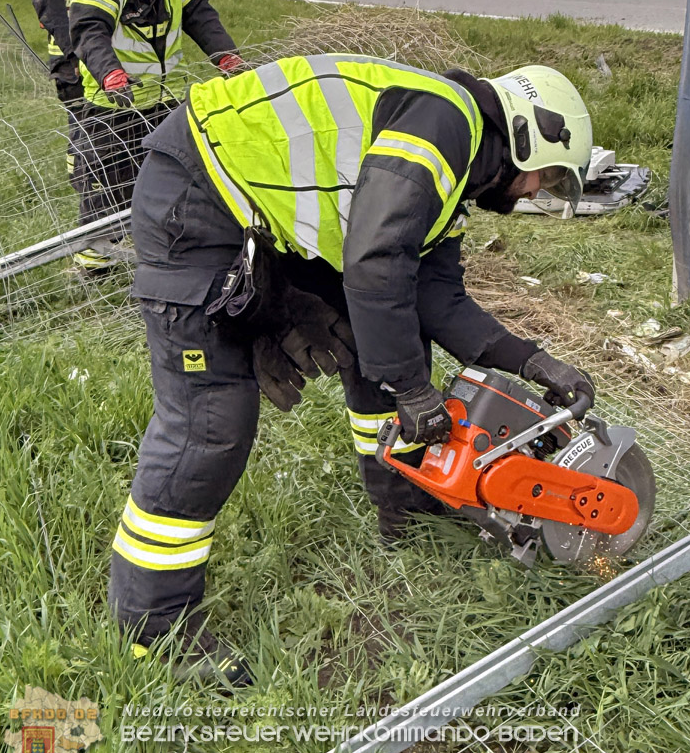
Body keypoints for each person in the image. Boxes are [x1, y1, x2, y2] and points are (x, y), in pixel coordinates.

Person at [107, 54, 596, 687]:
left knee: (383, 342)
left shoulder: (453, 173)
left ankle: (404, 511)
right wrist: (412, 387)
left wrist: (531, 360)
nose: (535, 193)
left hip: (244, 207)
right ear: (527, 136)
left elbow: (435, 297)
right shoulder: (444, 125)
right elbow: (374, 259)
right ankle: (153, 631)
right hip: (194, 197)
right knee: (212, 422)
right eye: (546, 177)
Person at [68, 0, 242, 269]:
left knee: (166, 185)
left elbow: (201, 15)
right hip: (111, 107)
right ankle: (95, 269)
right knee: (106, 189)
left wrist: (228, 58)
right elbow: (88, 27)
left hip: (161, 105)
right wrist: (109, 73)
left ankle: (156, 255)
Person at [30, 0, 108, 264]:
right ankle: (89, 248)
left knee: (97, 138)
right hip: (74, 65)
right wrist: (76, 58)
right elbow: (52, 12)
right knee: (88, 141)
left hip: (100, 59)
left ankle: (82, 172)